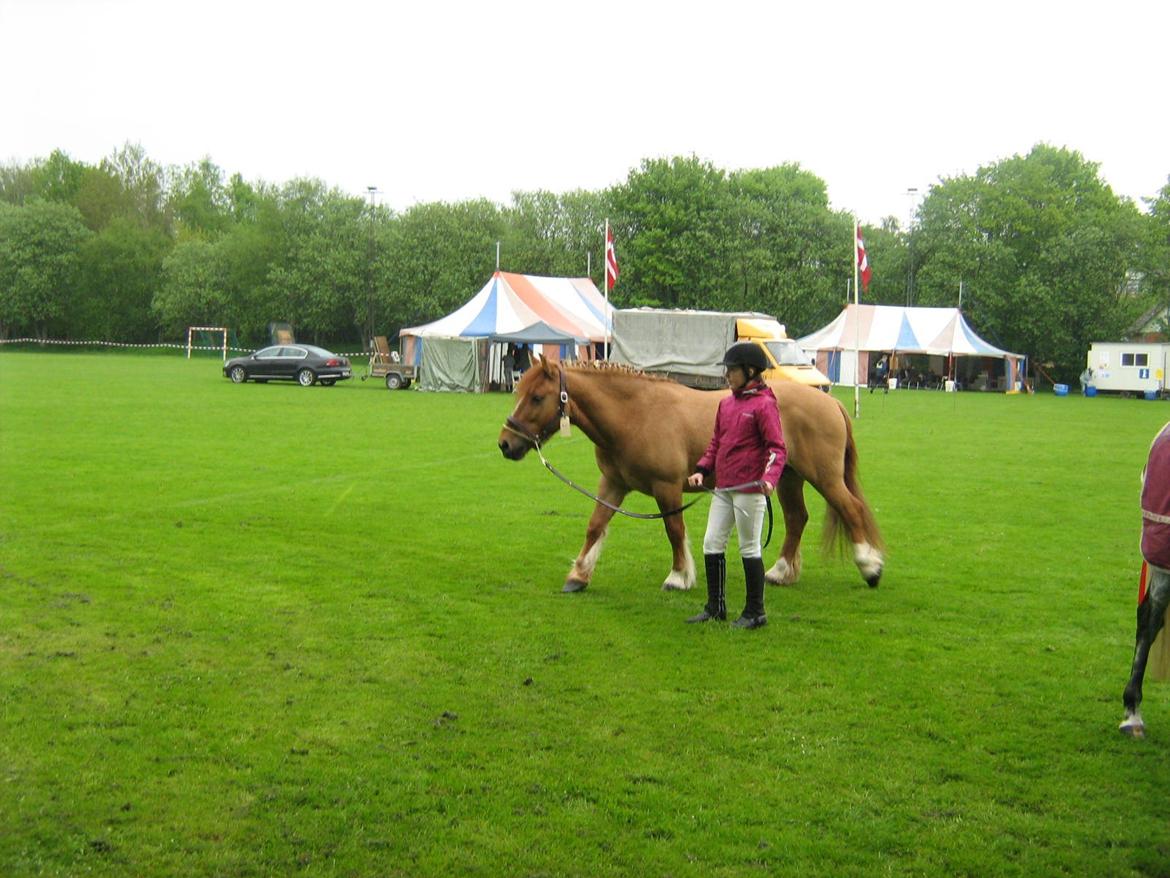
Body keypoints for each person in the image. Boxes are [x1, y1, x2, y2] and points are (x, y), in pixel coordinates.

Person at [686, 343, 787, 629]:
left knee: (748, 547)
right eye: (727, 370)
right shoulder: (726, 404)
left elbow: (777, 448)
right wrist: (702, 470)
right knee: (711, 542)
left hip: (750, 489)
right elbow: (717, 443)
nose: (727, 375)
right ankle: (715, 607)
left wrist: (769, 479)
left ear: (751, 371)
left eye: (732, 370)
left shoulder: (765, 405)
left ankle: (756, 612)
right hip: (724, 487)